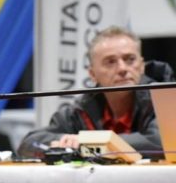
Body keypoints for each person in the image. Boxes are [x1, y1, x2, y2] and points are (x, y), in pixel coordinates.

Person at [17, 26, 175, 159]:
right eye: (110, 62)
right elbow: (28, 145)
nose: (122, 68)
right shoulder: (80, 110)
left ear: (141, 66)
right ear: (92, 74)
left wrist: (88, 143)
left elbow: (162, 143)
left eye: (129, 59)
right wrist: (65, 142)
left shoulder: (165, 99)